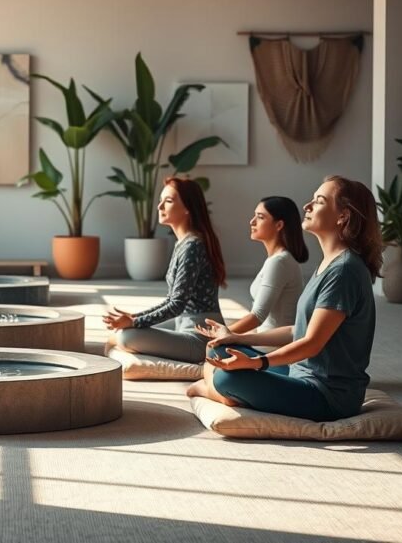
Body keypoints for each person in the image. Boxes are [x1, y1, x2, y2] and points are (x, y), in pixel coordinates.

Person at [188, 176, 380, 421]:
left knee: (226, 376)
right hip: (299, 373)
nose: (307, 206)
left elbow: (311, 343)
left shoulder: (344, 270)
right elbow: (297, 330)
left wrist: (257, 363)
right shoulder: (329, 264)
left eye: (319, 201)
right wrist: (236, 337)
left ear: (343, 216)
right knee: (221, 350)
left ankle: (215, 391)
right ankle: (226, 392)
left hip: (327, 396)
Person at [104, 177, 226, 363]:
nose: (159, 206)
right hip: (185, 322)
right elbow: (172, 300)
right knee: (127, 329)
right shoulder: (184, 243)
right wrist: (133, 317)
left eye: (168, 201)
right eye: (161, 200)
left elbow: (176, 304)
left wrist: (134, 322)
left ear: (187, 208)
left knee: (126, 337)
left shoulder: (193, 245)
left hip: (201, 338)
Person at [193, 196, 308, 379]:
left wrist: (226, 335)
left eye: (260, 217)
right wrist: (224, 332)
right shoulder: (276, 259)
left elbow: (257, 316)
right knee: (214, 350)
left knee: (216, 351)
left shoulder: (280, 262)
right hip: (264, 346)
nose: (252, 221)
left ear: (279, 225)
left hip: (273, 353)